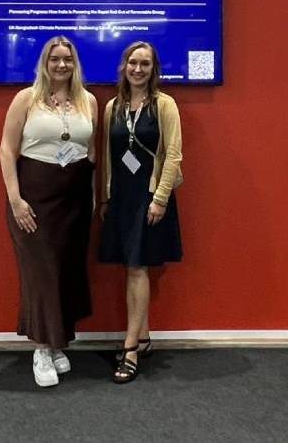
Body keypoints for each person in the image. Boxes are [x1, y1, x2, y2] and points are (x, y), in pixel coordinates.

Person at [0, 36, 99, 387]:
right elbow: (7, 151)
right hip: (34, 201)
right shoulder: (26, 99)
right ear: (44, 62)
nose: (61, 65)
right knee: (42, 272)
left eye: (67, 59)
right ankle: (41, 349)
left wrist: (96, 199)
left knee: (67, 272)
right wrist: (15, 200)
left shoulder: (88, 101)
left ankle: (58, 344)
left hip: (75, 201)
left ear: (75, 63)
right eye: (55, 59)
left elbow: (91, 154)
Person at [98, 42, 184, 384]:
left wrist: (160, 198)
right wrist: (104, 198)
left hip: (149, 198)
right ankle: (144, 337)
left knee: (137, 268)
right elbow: (106, 154)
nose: (138, 69)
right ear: (124, 66)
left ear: (154, 69)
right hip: (121, 199)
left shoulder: (165, 105)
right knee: (131, 266)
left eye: (145, 63)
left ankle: (131, 348)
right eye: (133, 62)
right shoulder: (112, 107)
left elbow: (174, 154)